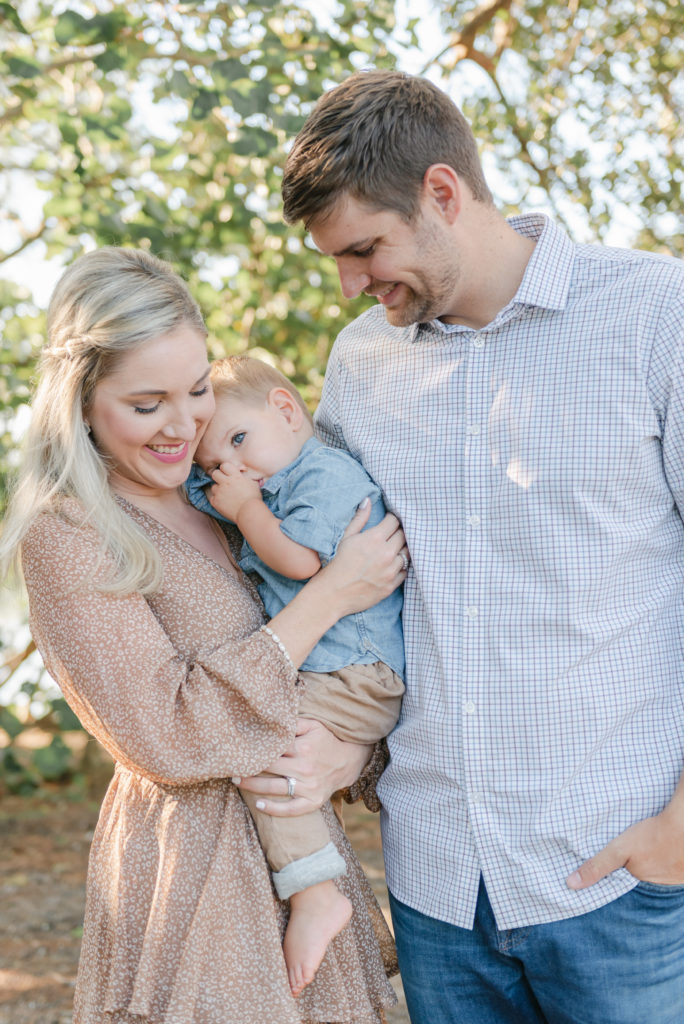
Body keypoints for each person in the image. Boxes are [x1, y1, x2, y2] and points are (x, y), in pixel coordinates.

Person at [276, 68, 684, 1024]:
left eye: (365, 248)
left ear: (442, 194)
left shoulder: (657, 316)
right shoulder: (361, 363)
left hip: (621, 889)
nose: (351, 284)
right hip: (438, 893)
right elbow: (353, 588)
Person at [0, 246, 408, 1024]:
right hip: (193, 872)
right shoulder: (69, 532)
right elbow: (167, 729)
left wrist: (349, 752)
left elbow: (343, 671)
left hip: (301, 846)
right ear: (82, 402)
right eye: (146, 403)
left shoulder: (226, 491)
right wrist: (329, 594)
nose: (184, 424)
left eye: (194, 390)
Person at [185, 354, 405, 994]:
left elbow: (303, 561)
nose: (232, 467)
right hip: (335, 672)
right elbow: (206, 496)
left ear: (285, 409)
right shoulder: (268, 480)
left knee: (259, 740)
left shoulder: (324, 476)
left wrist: (248, 507)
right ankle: (323, 888)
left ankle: (316, 892)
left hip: (353, 672)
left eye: (238, 440)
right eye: (213, 463)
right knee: (261, 740)